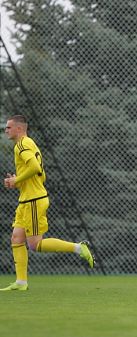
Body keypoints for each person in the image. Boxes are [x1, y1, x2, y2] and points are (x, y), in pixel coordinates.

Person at [2, 115, 94, 291]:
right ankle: (21, 283)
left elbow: (35, 168)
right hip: (26, 199)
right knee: (16, 238)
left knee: (35, 245)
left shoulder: (22, 144)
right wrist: (18, 181)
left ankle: (78, 248)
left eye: (9, 127)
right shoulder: (29, 143)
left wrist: (17, 180)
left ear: (19, 129)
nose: (6, 130)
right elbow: (40, 175)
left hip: (34, 201)